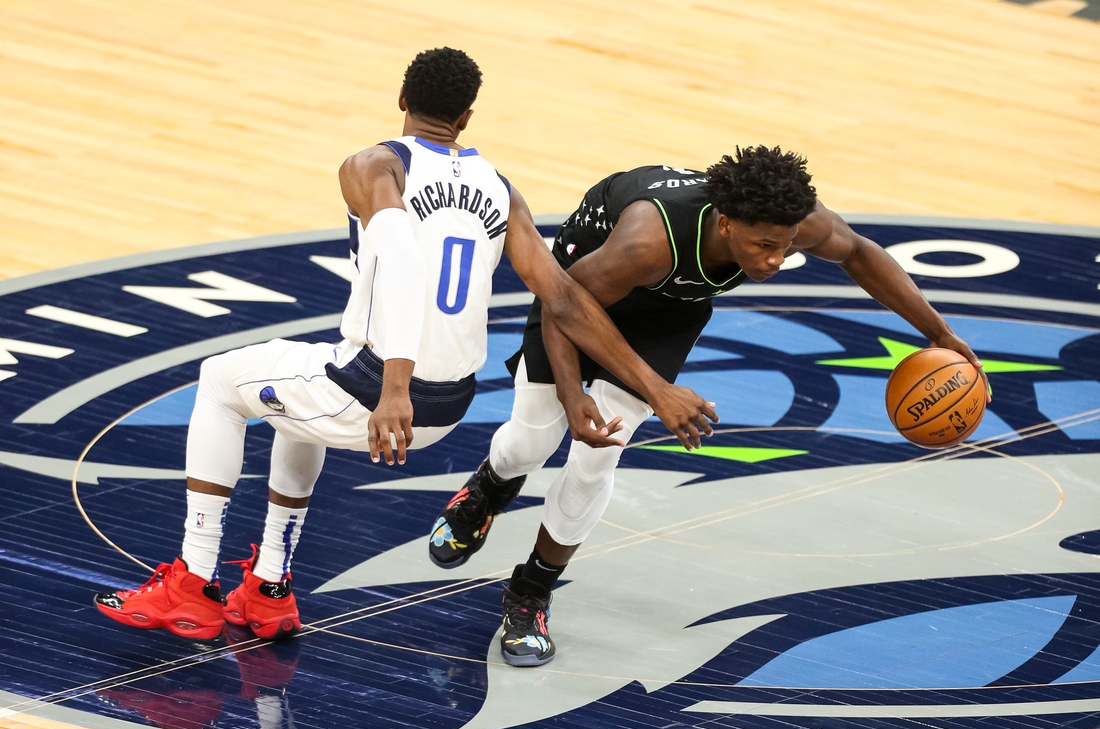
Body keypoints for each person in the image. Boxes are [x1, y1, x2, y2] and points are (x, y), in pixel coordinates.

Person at [93, 48, 717, 642]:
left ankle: (193, 580)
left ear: (400, 97)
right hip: (452, 405)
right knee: (289, 397)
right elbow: (562, 298)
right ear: (467, 116)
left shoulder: (374, 166)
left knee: (218, 380)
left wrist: (394, 387)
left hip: (381, 391)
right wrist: (646, 387)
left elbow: (401, 261)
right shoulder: (500, 188)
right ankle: (268, 587)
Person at [428, 147, 990, 667]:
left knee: (598, 455)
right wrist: (582, 398)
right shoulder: (648, 240)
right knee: (534, 439)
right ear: (725, 224)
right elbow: (564, 305)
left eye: (786, 245)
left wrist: (940, 333)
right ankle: (490, 487)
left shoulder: (792, 219)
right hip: (577, 291)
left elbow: (861, 254)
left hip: (666, 312)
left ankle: (531, 591)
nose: (774, 261)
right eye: (763, 246)